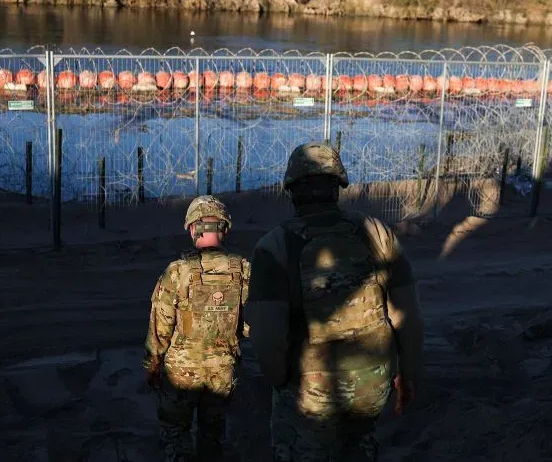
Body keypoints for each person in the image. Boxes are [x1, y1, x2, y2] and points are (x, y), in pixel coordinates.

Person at [244, 141, 424, 462]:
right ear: (337, 187)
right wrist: (407, 373)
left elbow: (268, 337)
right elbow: (407, 313)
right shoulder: (376, 232)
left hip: (312, 390)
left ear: (291, 190)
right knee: (359, 443)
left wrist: (280, 382)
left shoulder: (274, 245)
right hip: (373, 381)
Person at [143, 195, 251, 462]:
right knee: (212, 435)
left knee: (175, 432)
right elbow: (249, 326)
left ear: (192, 228)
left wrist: (153, 363)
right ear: (225, 228)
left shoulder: (177, 271)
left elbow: (160, 327)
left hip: (181, 373)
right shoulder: (243, 269)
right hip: (222, 371)